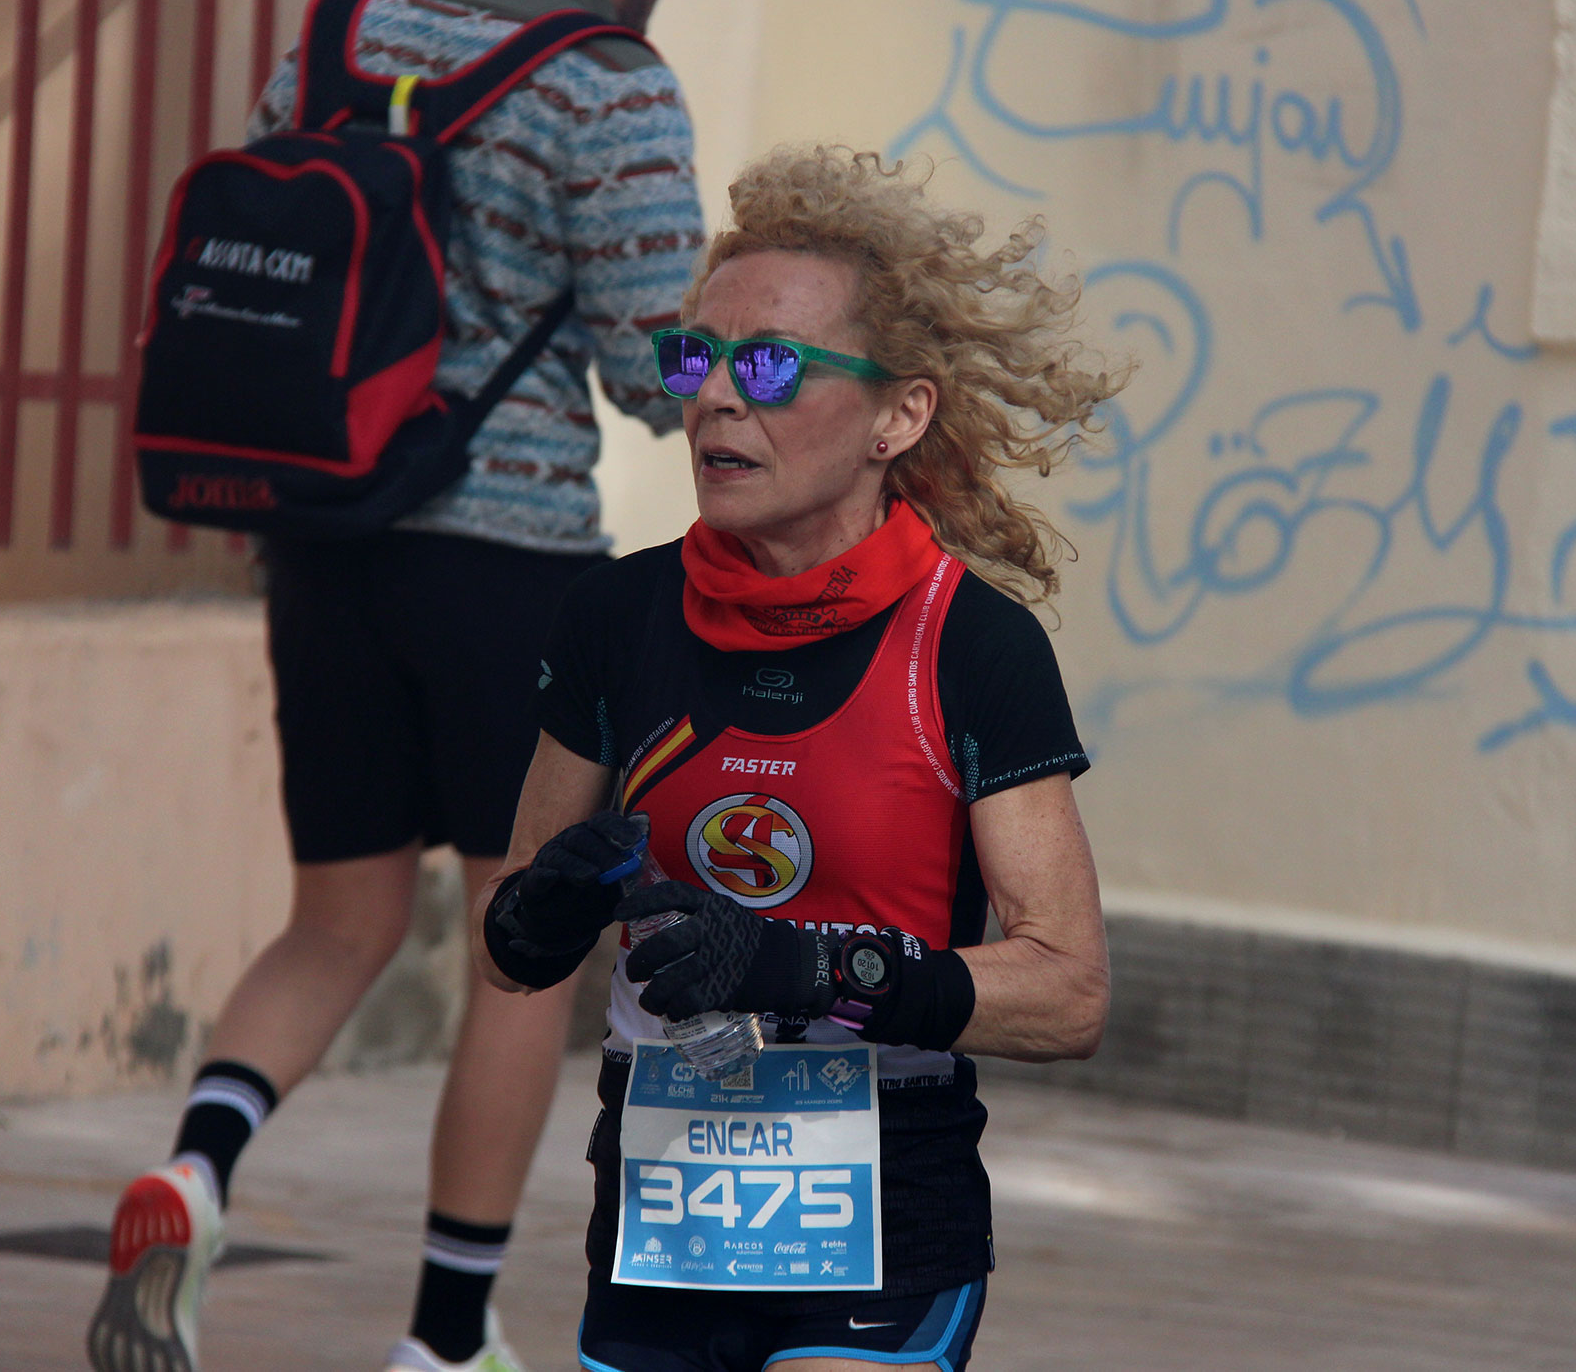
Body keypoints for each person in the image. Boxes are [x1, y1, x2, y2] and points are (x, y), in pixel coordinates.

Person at [88, 0, 715, 1372]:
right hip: (506, 564)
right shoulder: (612, 85)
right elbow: (650, 369)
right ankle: (446, 1338)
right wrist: (764, 359)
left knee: (340, 917)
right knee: (521, 942)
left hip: (323, 544)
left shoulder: (338, 38)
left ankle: (197, 1171)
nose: (665, 2)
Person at [474, 146, 1119, 1372]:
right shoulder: (615, 617)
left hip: (883, 1205)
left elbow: (1068, 992)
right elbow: (505, 948)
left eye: (770, 366)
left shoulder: (971, 645)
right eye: (694, 358)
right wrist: (537, 915)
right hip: (664, 1201)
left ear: (898, 415)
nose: (717, 398)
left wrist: (806, 969)